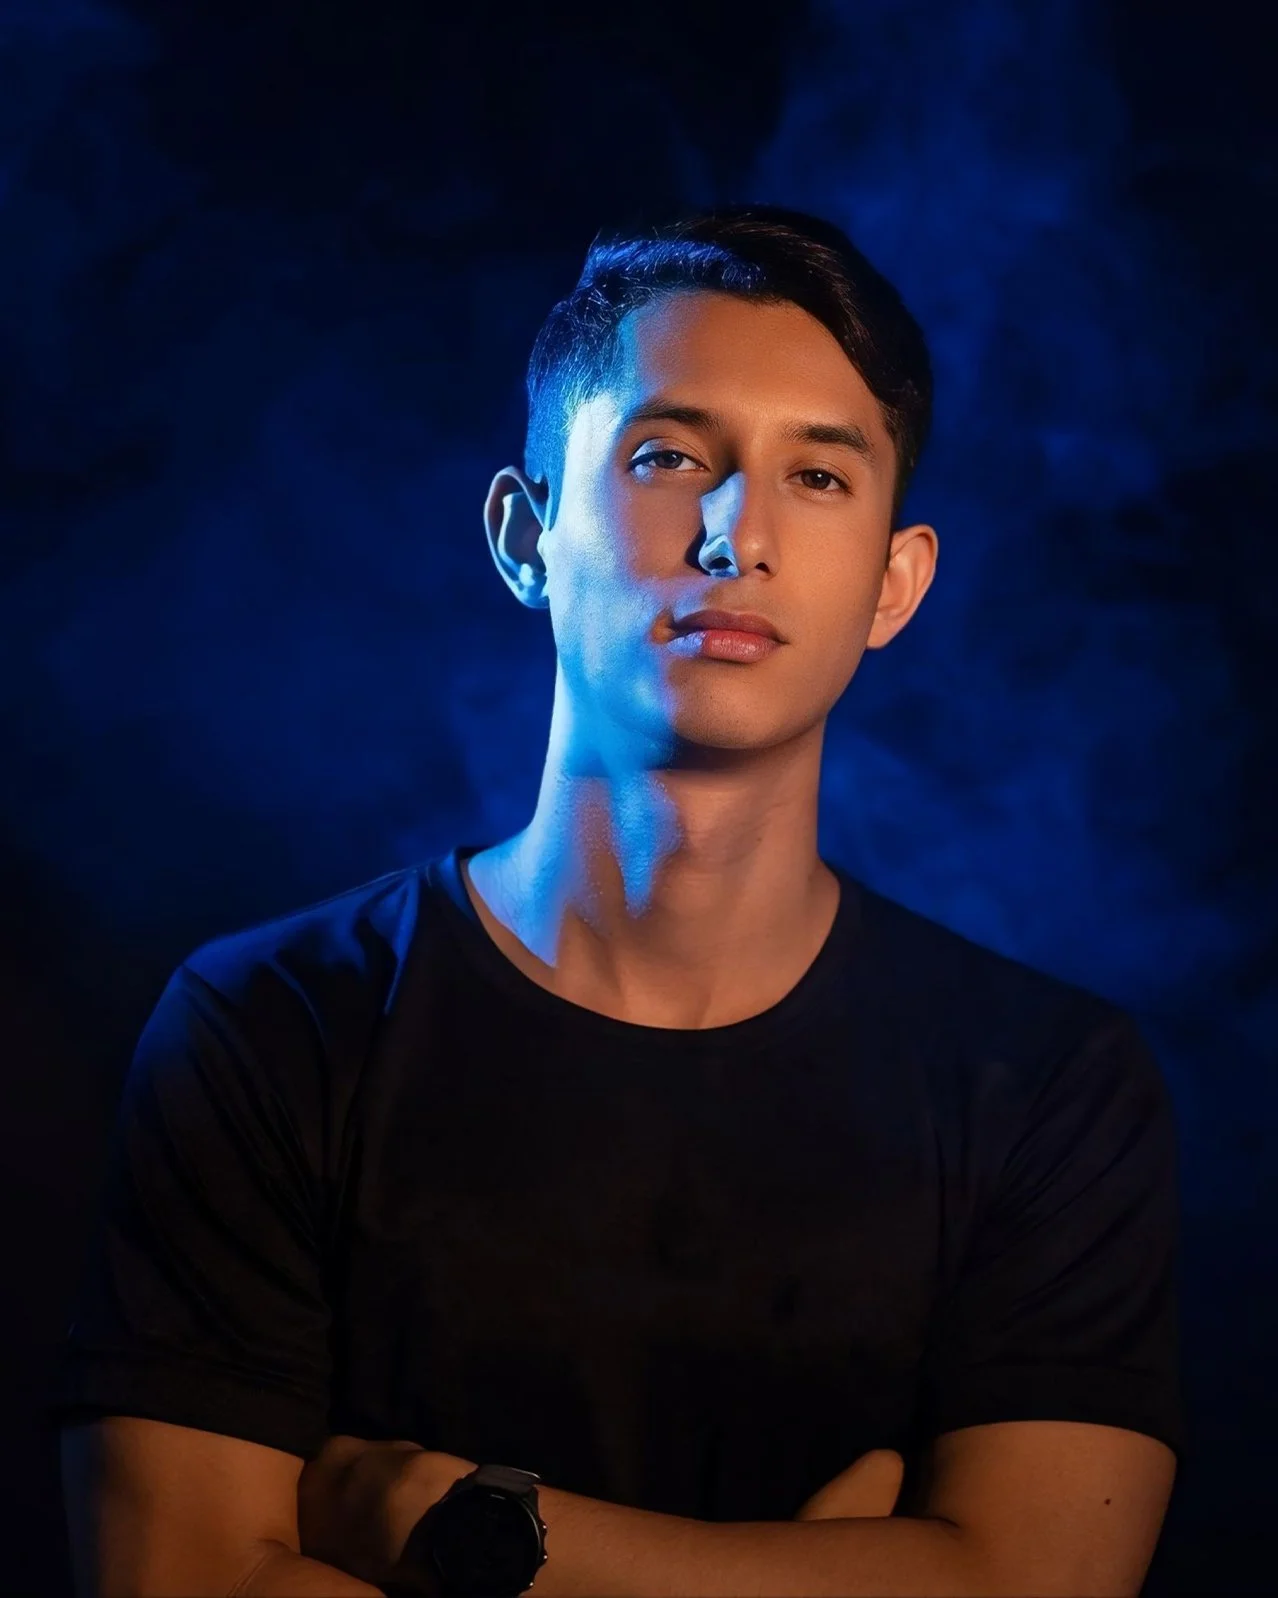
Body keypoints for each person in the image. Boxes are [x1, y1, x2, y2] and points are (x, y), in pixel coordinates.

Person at [50, 206, 1183, 1598]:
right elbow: (181, 1579)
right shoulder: (272, 1027)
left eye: (818, 478)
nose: (735, 533)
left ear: (895, 582)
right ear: (525, 535)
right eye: (665, 457)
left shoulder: (1049, 1088)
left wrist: (442, 1521)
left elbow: (1035, 1584)